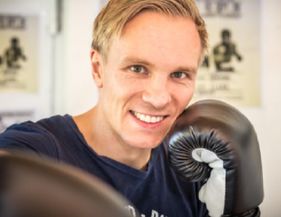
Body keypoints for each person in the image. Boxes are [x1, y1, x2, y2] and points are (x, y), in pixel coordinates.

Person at [0, 0, 209, 216]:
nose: (158, 98)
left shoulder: (191, 172)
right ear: (98, 68)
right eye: (137, 69)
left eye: (179, 74)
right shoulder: (37, 151)